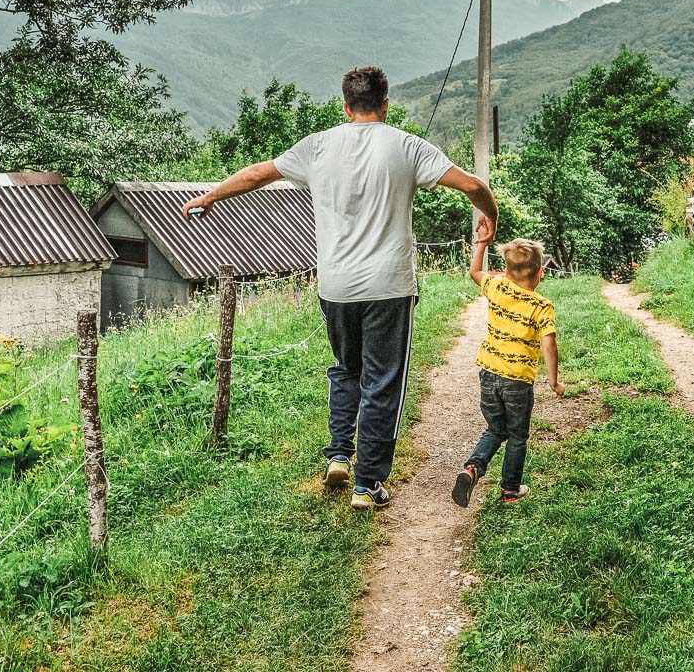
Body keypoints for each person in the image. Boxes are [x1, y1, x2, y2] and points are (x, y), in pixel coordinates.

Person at [181, 66, 498, 510]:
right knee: (383, 382)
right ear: (386, 105)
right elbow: (472, 185)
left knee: (346, 369)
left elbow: (257, 173)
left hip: (335, 286)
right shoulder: (407, 146)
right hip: (388, 287)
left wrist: (209, 197)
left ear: (345, 106)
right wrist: (490, 218)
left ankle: (338, 456)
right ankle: (368, 484)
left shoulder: (317, 145)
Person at [451, 222, 563, 508]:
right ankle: (510, 490)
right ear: (541, 272)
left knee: (495, 429)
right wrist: (553, 381)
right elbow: (549, 344)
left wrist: (482, 243)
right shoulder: (541, 305)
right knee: (517, 436)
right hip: (518, 382)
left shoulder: (497, 287)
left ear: (506, 271)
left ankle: (472, 468)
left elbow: (475, 272)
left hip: (488, 374)